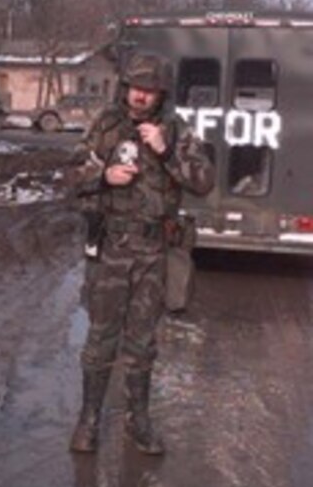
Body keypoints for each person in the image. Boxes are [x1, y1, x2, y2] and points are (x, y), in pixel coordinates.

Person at [69, 49, 215, 457]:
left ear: (160, 93)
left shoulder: (175, 130)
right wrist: (103, 175)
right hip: (112, 248)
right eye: (135, 87)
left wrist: (167, 151)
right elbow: (70, 171)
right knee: (101, 338)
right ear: (126, 87)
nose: (140, 96)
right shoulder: (105, 125)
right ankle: (89, 421)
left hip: (154, 252)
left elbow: (204, 181)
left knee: (142, 342)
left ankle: (138, 421)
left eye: (149, 90)